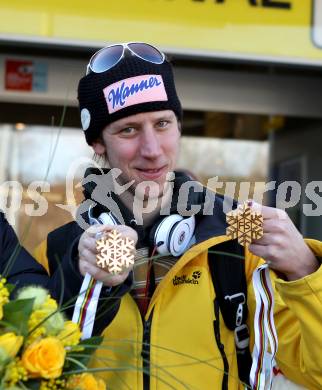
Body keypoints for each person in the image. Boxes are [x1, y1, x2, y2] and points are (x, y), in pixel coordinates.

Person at [34, 42, 322, 389]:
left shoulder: (237, 235)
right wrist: (83, 284)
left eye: (162, 123)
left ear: (179, 126)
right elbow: (32, 372)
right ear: (98, 142)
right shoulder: (57, 251)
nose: (153, 150)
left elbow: (314, 372)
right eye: (128, 130)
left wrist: (305, 273)